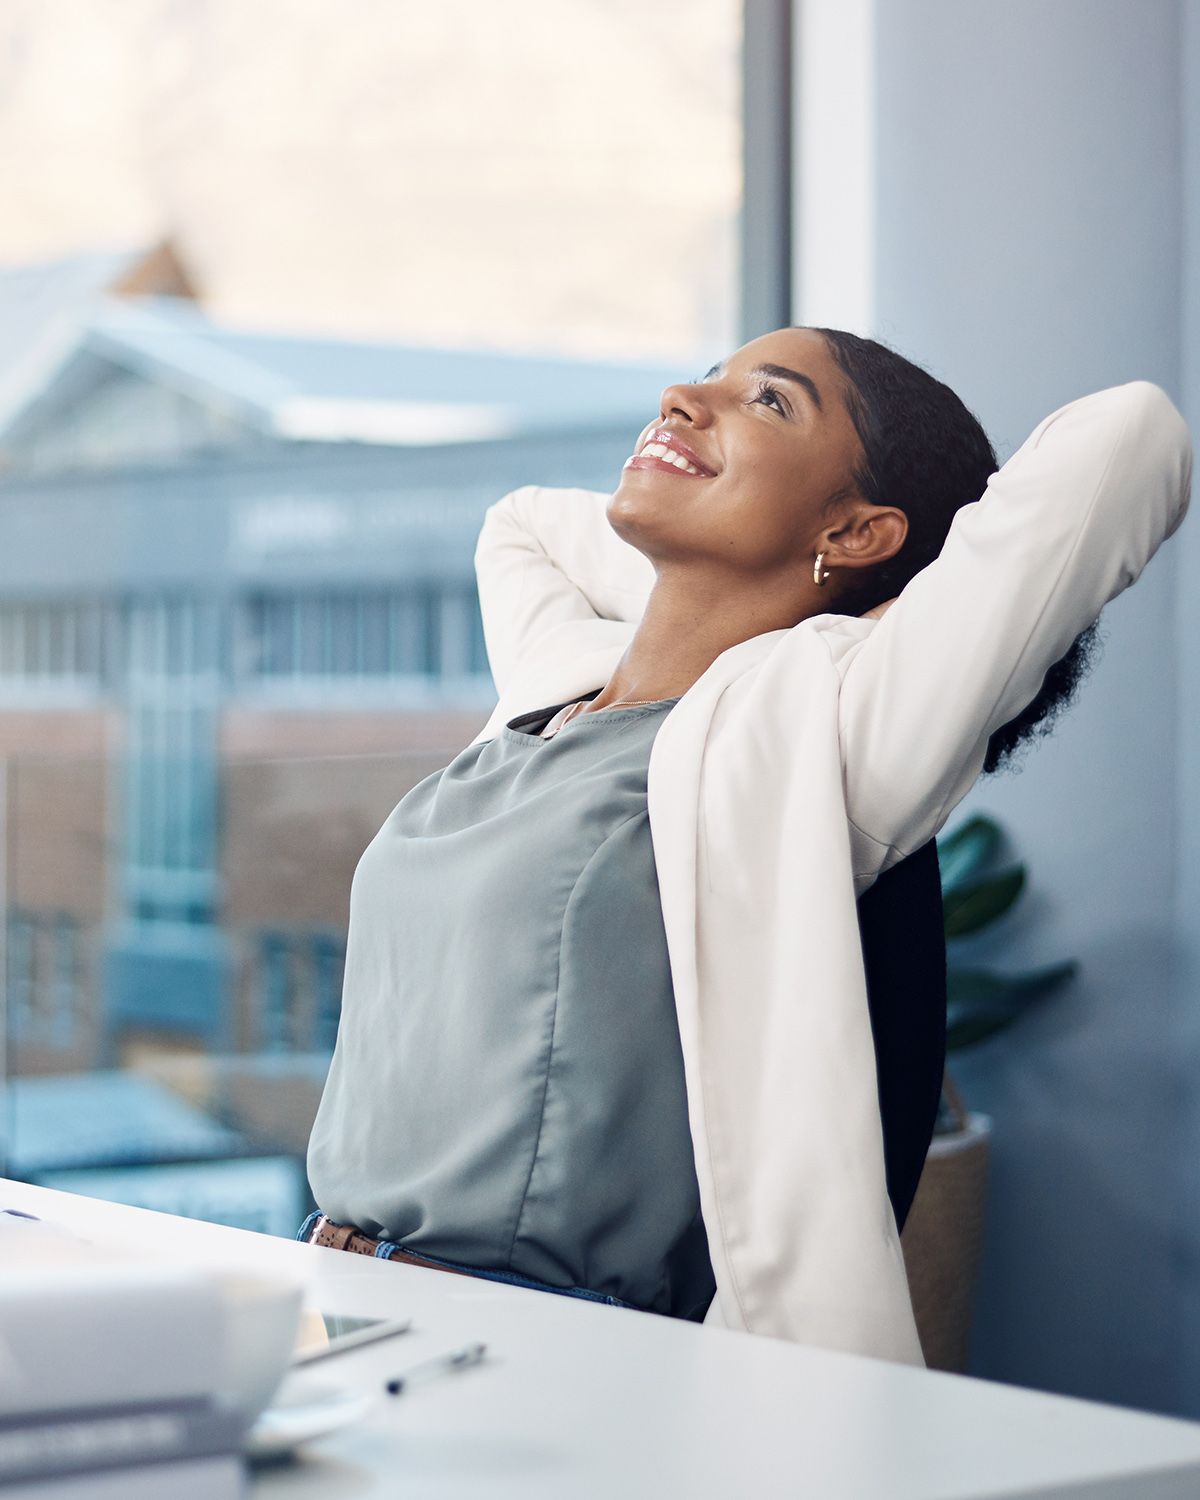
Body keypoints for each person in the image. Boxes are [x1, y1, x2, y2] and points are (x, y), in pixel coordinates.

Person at [303, 327, 1191, 1366]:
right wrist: (698, 599)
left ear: (861, 531)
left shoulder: (821, 729)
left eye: (768, 403)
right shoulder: (556, 686)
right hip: (341, 1303)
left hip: (550, 1363)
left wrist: (898, 609)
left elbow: (1133, 437)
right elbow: (523, 527)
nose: (682, 397)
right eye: (707, 381)